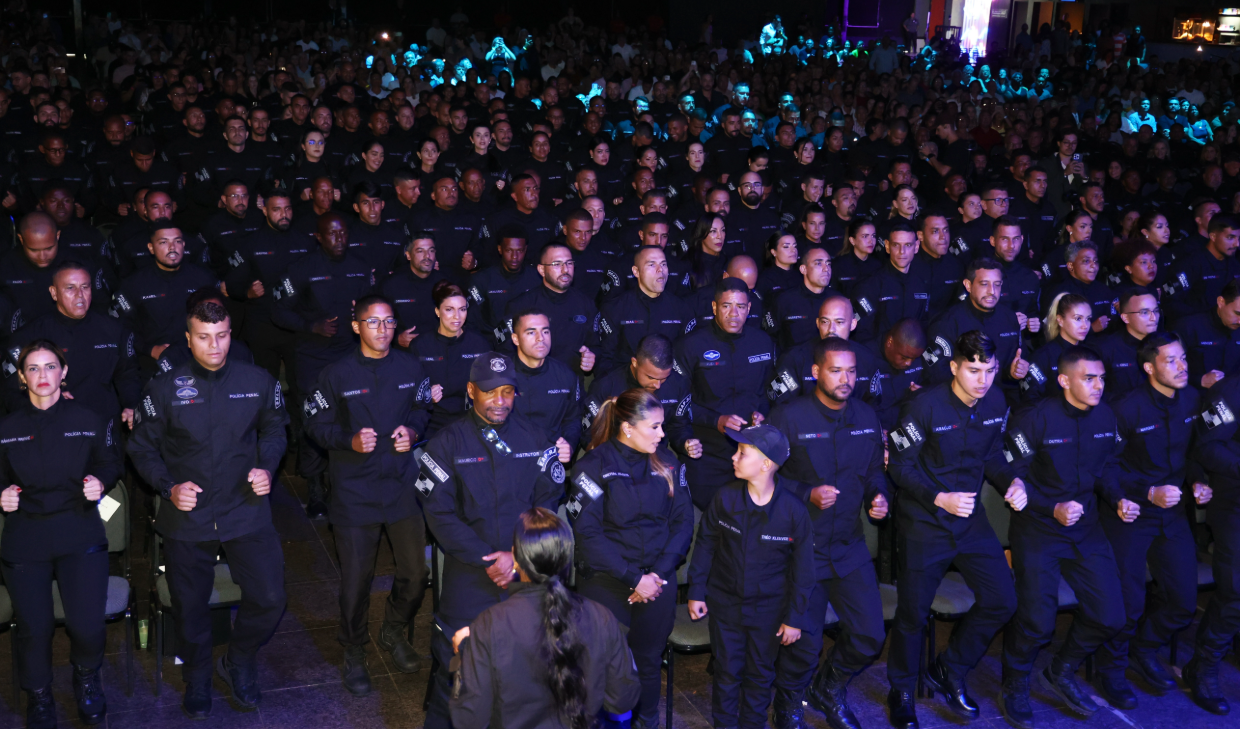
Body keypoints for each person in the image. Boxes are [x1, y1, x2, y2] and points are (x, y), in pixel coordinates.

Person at [127, 299, 289, 719]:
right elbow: (141, 447)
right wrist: (168, 486)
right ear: (188, 338)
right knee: (190, 605)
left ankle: (237, 659)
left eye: (222, 336)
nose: (214, 346)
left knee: (271, 597)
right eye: (203, 337)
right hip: (188, 514)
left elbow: (274, 430)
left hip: (245, 508)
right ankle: (197, 674)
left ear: (231, 334)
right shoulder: (165, 389)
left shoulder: (257, 381)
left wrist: (266, 466)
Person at [415, 350, 568, 729]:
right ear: (471, 391)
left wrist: (517, 556)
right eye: (490, 392)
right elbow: (439, 515)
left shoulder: (536, 437)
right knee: (456, 676)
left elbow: (548, 502)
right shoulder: (446, 443)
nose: (500, 401)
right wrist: (490, 557)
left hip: (525, 575)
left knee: (528, 673)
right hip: (471, 574)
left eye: (507, 391)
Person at [885, 331, 1027, 728]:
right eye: (973, 370)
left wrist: (1011, 482)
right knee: (912, 613)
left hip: (969, 521)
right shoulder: (922, 406)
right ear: (954, 367)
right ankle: (901, 690)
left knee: (1003, 599)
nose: (982, 380)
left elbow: (994, 456)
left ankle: (949, 668)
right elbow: (899, 467)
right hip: (925, 521)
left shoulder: (996, 401)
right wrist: (938, 497)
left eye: (990, 370)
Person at [304, 295, 440, 695]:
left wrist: (413, 431)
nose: (382, 330)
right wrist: (347, 439)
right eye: (373, 323)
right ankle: (353, 648)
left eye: (388, 322)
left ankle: (393, 629)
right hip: (354, 488)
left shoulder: (412, 366)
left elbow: (421, 408)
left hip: (401, 485)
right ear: (356, 327)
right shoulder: (336, 373)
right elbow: (313, 420)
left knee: (417, 573)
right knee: (356, 581)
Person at [998, 346, 1128, 727]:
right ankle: (1015, 682)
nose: (1099, 385)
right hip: (1038, 529)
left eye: (1102, 377)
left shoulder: (1106, 416)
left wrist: (1118, 497)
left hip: (1085, 529)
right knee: (1038, 621)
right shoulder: (1034, 419)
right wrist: (1048, 506)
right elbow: (1012, 475)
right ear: (1064, 380)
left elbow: (1108, 466)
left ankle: (1060, 670)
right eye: (1090, 378)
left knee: (1111, 616)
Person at [767, 337, 889, 729]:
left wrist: (879, 496)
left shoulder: (868, 417)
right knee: (803, 644)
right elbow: (763, 479)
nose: (846, 378)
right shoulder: (788, 417)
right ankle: (787, 706)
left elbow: (874, 472)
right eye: (836, 370)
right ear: (816, 372)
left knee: (870, 635)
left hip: (849, 545)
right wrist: (806, 494)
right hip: (802, 550)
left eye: (851, 371)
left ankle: (828, 687)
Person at [1, 340, 121, 729]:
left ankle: (86, 678)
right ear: (21, 378)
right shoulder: (6, 429)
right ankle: (38, 696)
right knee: (33, 629)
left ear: (63, 371)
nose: (42, 376)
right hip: (26, 538)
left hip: (78, 532)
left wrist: (99, 480)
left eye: (49, 366)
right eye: (32, 369)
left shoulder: (88, 418)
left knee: (86, 625)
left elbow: (110, 461)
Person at [1095, 332, 1210, 708]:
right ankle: (1110, 671)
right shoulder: (1125, 408)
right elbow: (1105, 467)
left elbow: (1193, 454)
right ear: (1149, 367)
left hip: (1173, 513)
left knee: (1182, 599)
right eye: (1171, 361)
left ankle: (1143, 650)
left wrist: (1199, 481)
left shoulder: (1193, 398)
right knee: (1129, 603)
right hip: (1130, 513)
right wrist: (1145, 493)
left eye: (1183, 359)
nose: (1182, 366)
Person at [567, 387, 693, 728]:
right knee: (600, 664)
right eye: (654, 427)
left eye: (662, 426)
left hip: (658, 579)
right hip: (606, 581)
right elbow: (588, 535)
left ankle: (646, 721)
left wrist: (656, 576)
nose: (663, 433)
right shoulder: (591, 466)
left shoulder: (668, 463)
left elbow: (683, 524)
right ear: (627, 428)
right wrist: (633, 578)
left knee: (648, 662)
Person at [449, 508, 641, 727]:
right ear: (566, 559)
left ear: (516, 558)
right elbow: (623, 699)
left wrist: (465, 653)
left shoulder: (489, 625)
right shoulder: (601, 617)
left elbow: (467, 719)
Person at [687, 424, 814, 729]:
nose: (734, 457)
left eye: (742, 453)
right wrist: (696, 590)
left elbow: (804, 569)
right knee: (727, 674)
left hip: (769, 611)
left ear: (766, 464)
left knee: (759, 676)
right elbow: (704, 544)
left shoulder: (793, 511)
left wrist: (795, 617)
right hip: (725, 605)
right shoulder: (725, 498)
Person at [271, 212, 374, 518]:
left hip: (351, 355)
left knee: (351, 419)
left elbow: (374, 304)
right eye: (331, 234)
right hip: (313, 358)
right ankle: (315, 491)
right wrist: (309, 325)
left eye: (343, 233)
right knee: (314, 420)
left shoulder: (359, 267)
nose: (339, 239)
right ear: (318, 236)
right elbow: (277, 310)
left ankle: (347, 486)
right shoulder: (302, 269)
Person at [675, 278, 775, 510]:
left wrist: (762, 414)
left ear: (749, 309)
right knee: (712, 522)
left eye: (740, 307)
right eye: (726, 306)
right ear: (713, 307)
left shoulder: (762, 342)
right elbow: (677, 403)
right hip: (706, 452)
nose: (733, 313)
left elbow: (769, 393)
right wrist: (716, 420)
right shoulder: (690, 345)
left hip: (751, 451)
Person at [1189, 364, 1240, 715]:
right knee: (1236, 590)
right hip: (1234, 502)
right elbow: (1206, 447)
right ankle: (1203, 667)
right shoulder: (1228, 392)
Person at [583, 333, 700, 460]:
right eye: (650, 377)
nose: (657, 385)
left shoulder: (678, 384)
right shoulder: (606, 385)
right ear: (634, 363)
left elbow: (679, 426)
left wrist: (686, 443)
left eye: (664, 378)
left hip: (655, 461)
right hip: (612, 460)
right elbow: (589, 435)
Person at [410, 281, 493, 438]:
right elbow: (407, 394)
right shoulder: (420, 346)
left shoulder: (479, 344)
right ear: (437, 312)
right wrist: (426, 396)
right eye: (449, 310)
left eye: (462, 309)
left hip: (470, 422)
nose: (457, 316)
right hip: (431, 424)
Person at [508, 309, 583, 455]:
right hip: (509, 459)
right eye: (531, 332)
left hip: (551, 457)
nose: (540, 338)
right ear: (515, 339)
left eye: (545, 332)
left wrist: (569, 445)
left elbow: (573, 419)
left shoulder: (565, 375)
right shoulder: (500, 376)